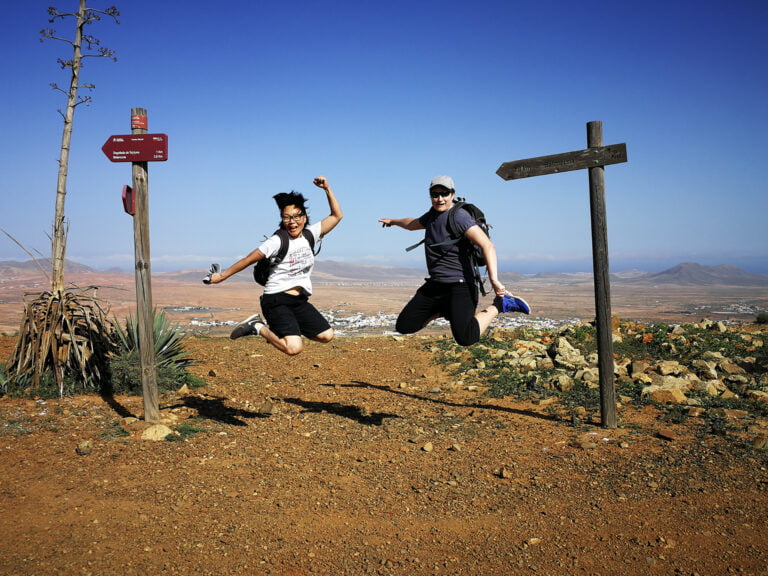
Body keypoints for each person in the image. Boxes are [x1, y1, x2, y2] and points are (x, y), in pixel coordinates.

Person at [378, 175, 530, 346]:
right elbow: (412, 223)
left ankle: (500, 305)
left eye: (444, 193)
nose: (440, 198)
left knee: (466, 338)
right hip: (436, 284)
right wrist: (393, 221)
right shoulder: (432, 215)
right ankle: (445, 308)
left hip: (461, 285)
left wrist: (494, 280)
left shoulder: (459, 217)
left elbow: (488, 246)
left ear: (452, 194)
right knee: (405, 325)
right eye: (435, 194)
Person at [206, 176, 343, 356]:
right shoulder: (277, 241)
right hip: (276, 300)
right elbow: (248, 259)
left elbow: (336, 215)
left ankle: (283, 330)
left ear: (304, 216)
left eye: (296, 216)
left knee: (326, 335)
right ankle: (257, 326)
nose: (292, 222)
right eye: (286, 217)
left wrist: (327, 188)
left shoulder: (311, 235)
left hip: (299, 300)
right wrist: (221, 276)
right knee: (294, 348)